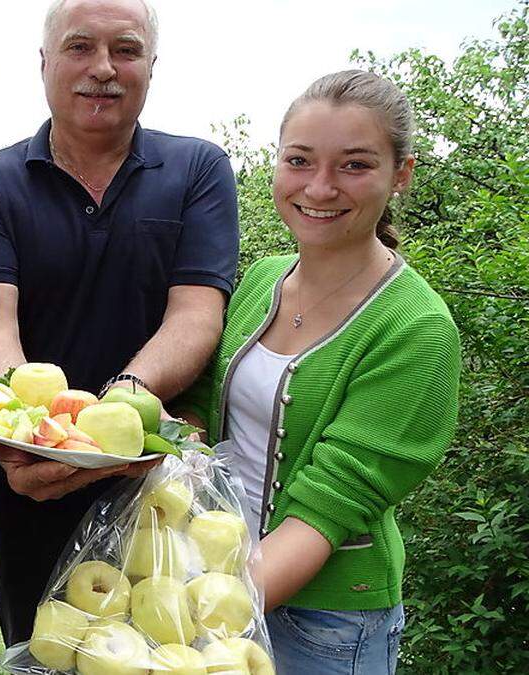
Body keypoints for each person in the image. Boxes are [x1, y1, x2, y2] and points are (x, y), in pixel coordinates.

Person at [0, 0, 239, 645]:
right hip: (29, 486)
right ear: (44, 62)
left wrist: (121, 413)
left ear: (151, 67)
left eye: (126, 51)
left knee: (166, 653)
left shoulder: (199, 171)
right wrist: (35, 430)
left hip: (159, 481)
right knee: (46, 651)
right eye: (80, 48)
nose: (103, 68)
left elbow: (196, 313)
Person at [177, 70, 461, 674]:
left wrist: (196, 614)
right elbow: (203, 404)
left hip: (326, 623)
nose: (321, 187)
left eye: (354, 165)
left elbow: (331, 503)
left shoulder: (415, 328)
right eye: (300, 161)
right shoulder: (262, 280)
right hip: (212, 581)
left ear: (400, 175)